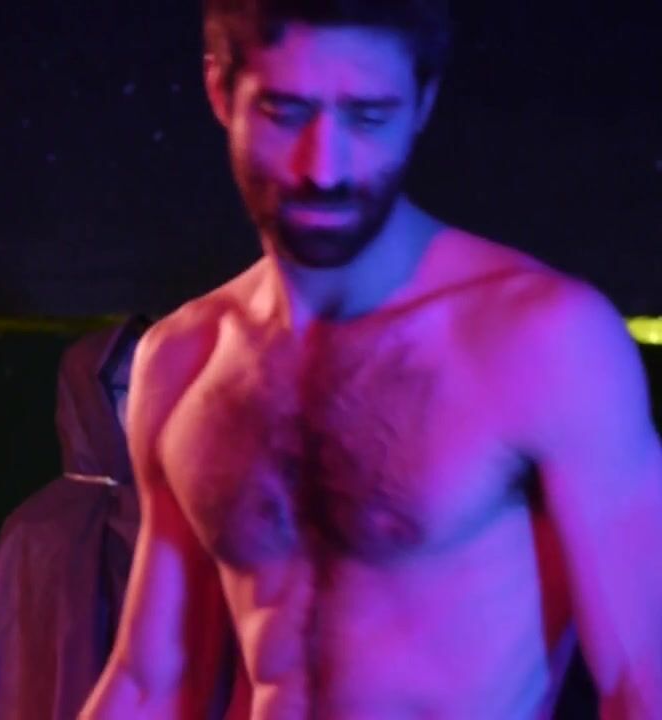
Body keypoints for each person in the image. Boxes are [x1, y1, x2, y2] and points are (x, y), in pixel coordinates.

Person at [80, 1, 662, 718]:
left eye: (369, 117)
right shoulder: (183, 360)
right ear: (220, 92)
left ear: (423, 103)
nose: (324, 169)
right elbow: (152, 682)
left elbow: (646, 679)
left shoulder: (541, 340)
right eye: (286, 112)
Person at [0, 317, 210, 720]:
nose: (146, 406)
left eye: (156, 385)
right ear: (89, 399)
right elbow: (13, 681)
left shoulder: (195, 516)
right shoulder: (37, 530)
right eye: (126, 389)